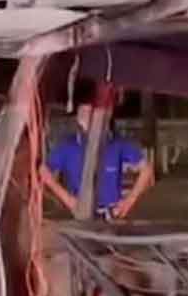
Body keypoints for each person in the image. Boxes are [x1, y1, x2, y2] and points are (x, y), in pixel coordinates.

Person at [43, 79, 154, 219]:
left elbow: (147, 170)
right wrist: (69, 200)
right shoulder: (68, 146)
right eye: (84, 112)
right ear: (78, 117)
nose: (89, 118)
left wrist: (128, 202)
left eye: (94, 113)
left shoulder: (117, 143)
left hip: (112, 216)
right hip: (81, 217)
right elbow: (43, 172)